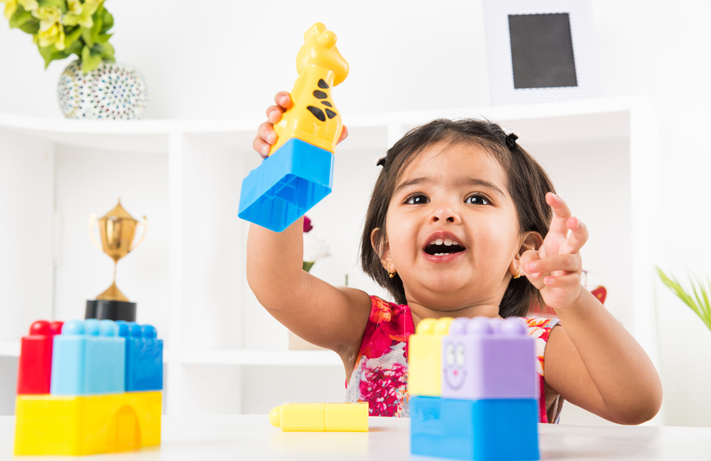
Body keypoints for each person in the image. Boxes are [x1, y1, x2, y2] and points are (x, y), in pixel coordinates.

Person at [247, 92, 662, 424]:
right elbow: (279, 287)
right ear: (386, 249)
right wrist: (287, 172)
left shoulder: (535, 345)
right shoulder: (365, 326)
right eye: (417, 198)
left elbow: (636, 404)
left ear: (523, 252)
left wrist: (573, 301)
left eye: (477, 198)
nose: (443, 212)